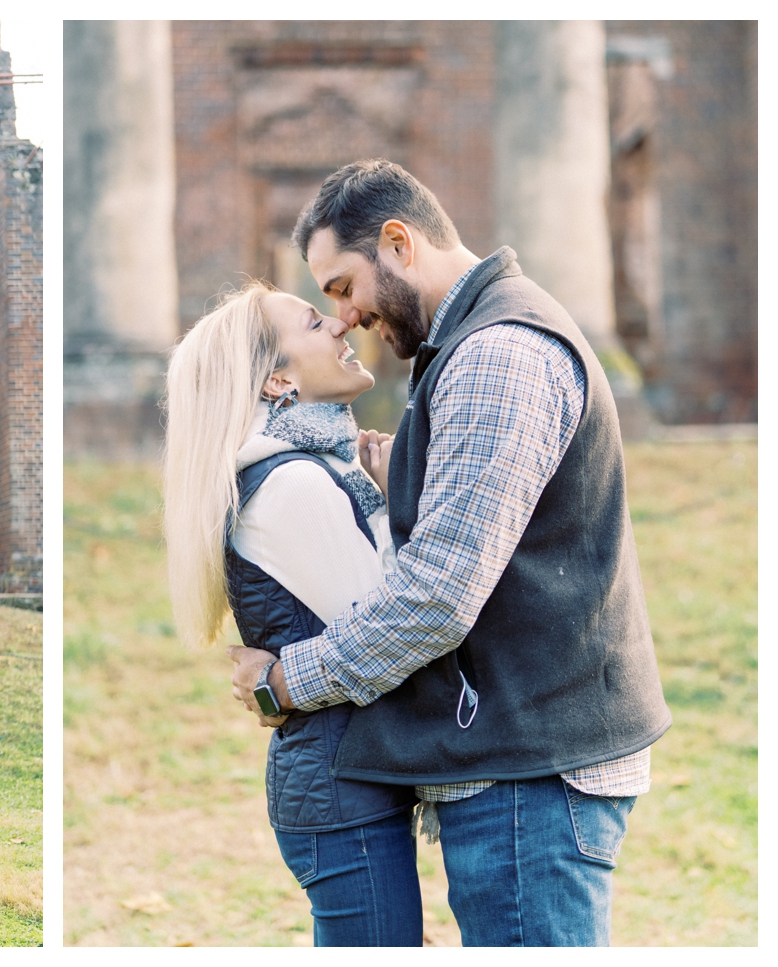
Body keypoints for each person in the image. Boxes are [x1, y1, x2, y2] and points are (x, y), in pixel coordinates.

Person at [229, 158, 671, 946]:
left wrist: (285, 681)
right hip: (526, 754)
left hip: (531, 769)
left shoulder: (496, 353)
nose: (347, 314)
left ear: (399, 242)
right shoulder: (480, 343)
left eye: (341, 285)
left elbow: (435, 595)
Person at [163, 281, 421, 946]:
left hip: (346, 781)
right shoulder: (292, 484)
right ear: (278, 377)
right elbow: (392, 626)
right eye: (314, 323)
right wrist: (399, 508)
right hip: (342, 793)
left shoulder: (309, 468)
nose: (341, 326)